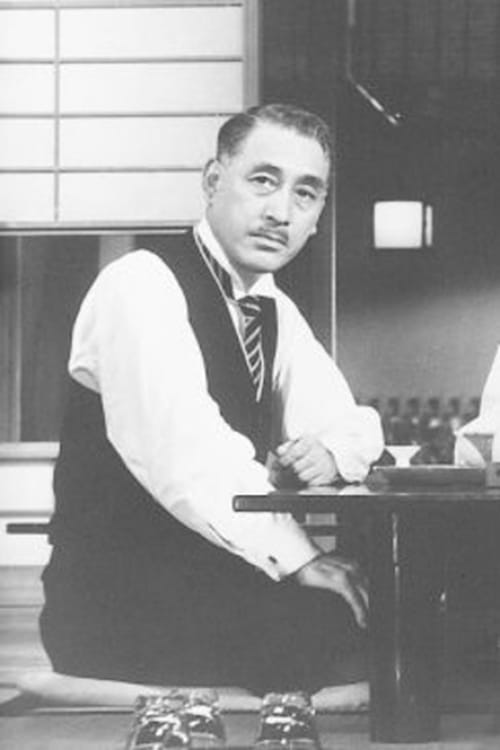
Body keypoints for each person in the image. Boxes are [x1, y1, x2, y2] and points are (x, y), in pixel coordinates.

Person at [40, 103, 383, 696]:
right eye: (263, 181)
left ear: (318, 215)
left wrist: (329, 450)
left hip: (219, 584)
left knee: (382, 610)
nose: (281, 212)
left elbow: (351, 423)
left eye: (305, 193)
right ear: (212, 181)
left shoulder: (272, 309)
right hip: (115, 596)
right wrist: (302, 558)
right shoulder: (139, 283)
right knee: (339, 626)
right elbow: (186, 454)